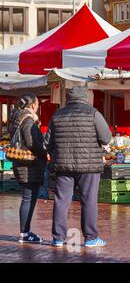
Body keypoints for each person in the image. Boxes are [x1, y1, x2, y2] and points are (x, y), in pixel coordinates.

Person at [45, 86, 112, 248]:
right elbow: (106, 138)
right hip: (89, 167)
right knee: (88, 201)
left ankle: (58, 238)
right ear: (86, 98)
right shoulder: (93, 113)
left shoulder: (57, 115)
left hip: (63, 166)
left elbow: (48, 142)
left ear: (68, 98)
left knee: (61, 201)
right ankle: (90, 238)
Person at [10, 94, 47, 244]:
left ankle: (25, 232)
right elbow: (31, 142)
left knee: (28, 198)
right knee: (28, 198)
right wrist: (45, 152)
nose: (38, 106)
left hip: (22, 163)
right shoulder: (28, 120)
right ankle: (24, 234)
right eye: (37, 103)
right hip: (28, 164)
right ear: (33, 105)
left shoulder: (17, 118)